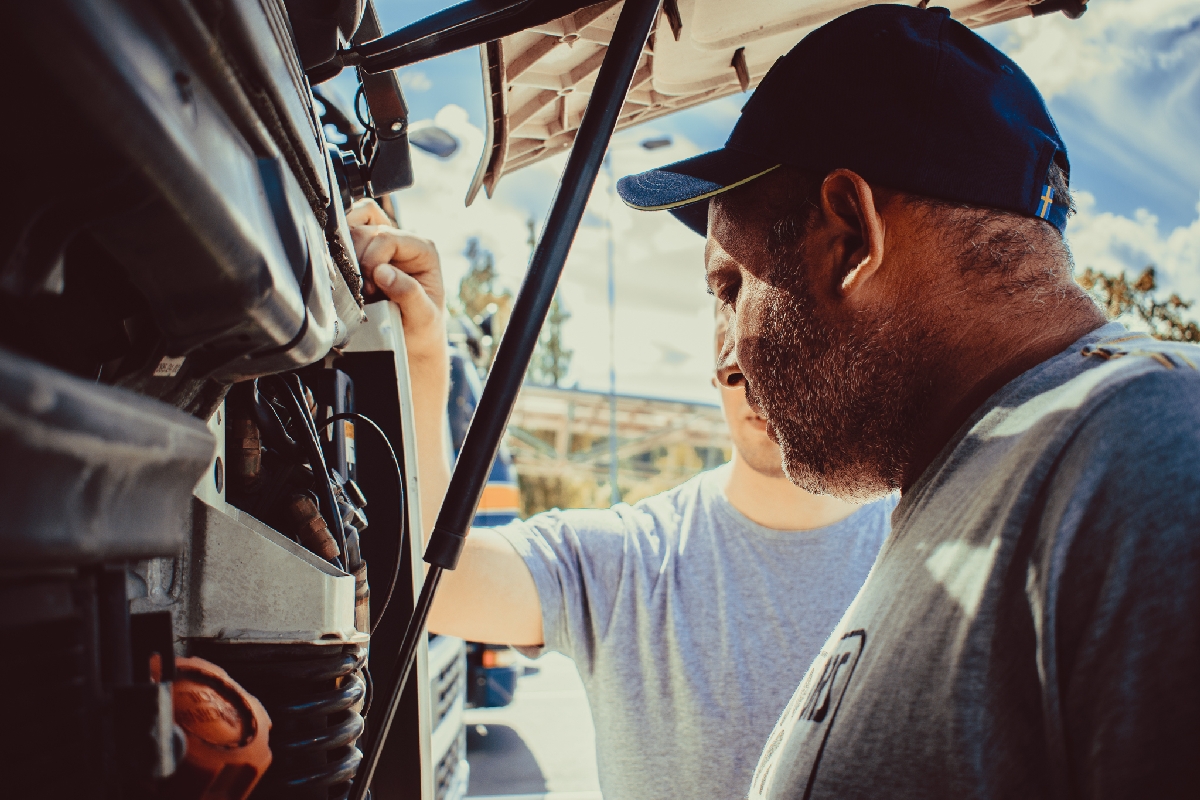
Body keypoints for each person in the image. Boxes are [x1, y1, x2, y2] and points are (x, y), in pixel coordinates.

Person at [616, 4, 1200, 798]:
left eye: (732, 286)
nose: (728, 357)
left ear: (850, 237)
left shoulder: (1153, 457)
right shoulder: (1003, 473)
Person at [345, 200, 896, 800]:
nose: (755, 365)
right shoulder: (634, 558)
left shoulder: (925, 553)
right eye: (729, 292)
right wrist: (423, 354)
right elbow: (440, 582)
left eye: (788, 307)